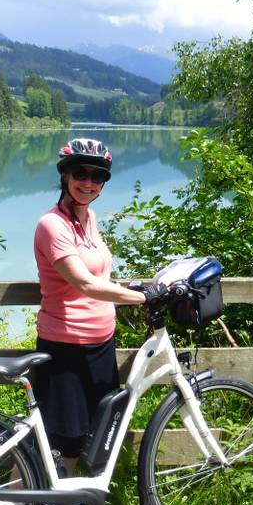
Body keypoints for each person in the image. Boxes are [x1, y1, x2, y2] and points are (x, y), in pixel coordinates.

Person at [32, 138, 165, 473]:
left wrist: (133, 287)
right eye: (81, 173)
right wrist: (143, 297)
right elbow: (85, 283)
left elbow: (100, 274)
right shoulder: (53, 225)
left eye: (97, 176)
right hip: (66, 348)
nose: (88, 182)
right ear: (65, 175)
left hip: (101, 345)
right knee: (59, 440)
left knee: (97, 431)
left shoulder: (89, 219)